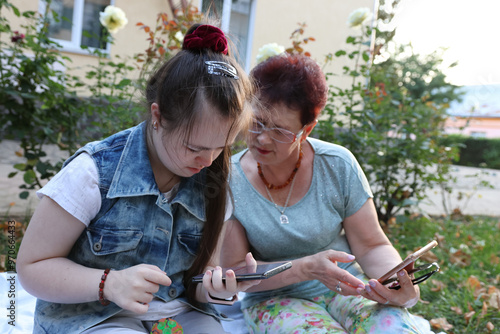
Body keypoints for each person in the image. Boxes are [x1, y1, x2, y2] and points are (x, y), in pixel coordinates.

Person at [17, 24, 259, 334]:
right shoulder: (94, 173)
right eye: (194, 147)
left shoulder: (215, 181)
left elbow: (198, 281)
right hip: (94, 317)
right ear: (157, 117)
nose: (208, 161)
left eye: (221, 148)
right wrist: (109, 283)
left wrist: (219, 288)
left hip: (177, 315)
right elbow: (30, 267)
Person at [220, 53, 431, 333]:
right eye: (256, 122)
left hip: (348, 287)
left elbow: (371, 245)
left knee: (395, 328)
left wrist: (398, 286)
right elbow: (235, 271)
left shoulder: (337, 165)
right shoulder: (230, 179)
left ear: (306, 131)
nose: (262, 138)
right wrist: (304, 268)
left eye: (280, 131)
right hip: (275, 300)